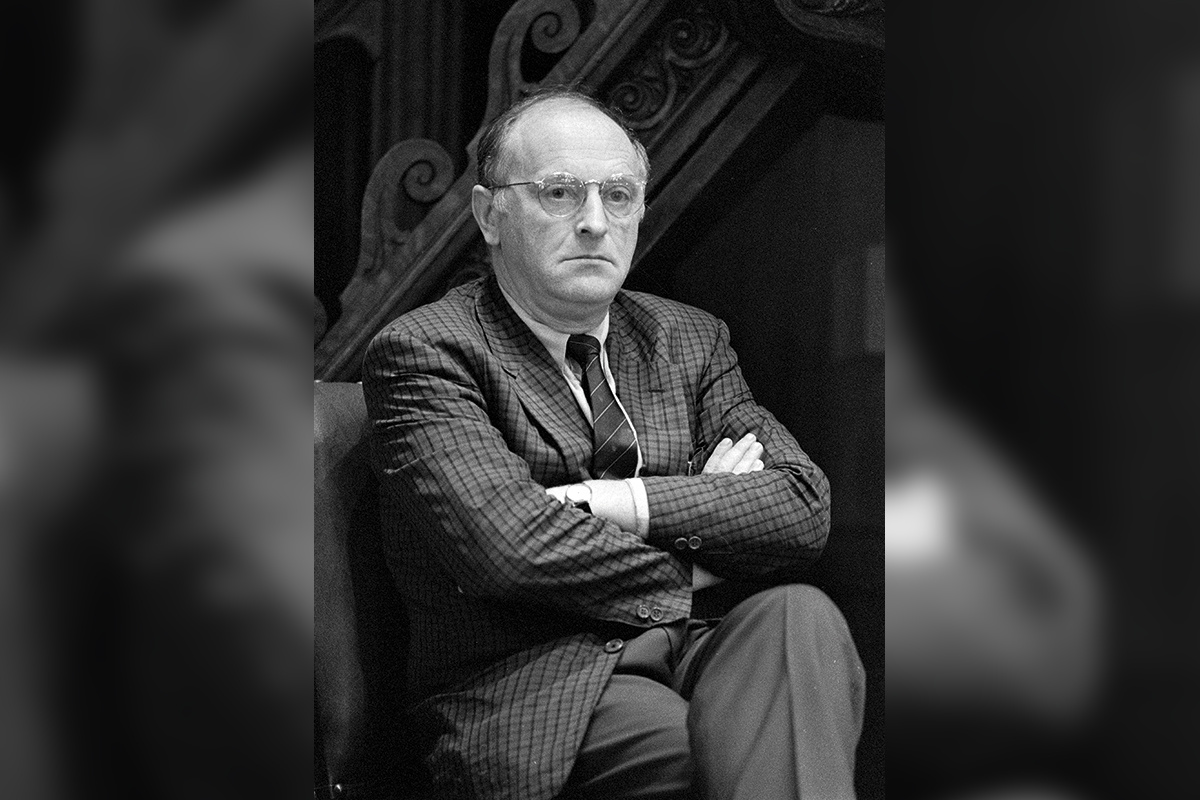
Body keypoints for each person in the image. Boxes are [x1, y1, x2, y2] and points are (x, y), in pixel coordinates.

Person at [362, 86, 865, 800]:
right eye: (560, 193)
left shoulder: (687, 338)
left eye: (619, 196)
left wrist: (610, 503)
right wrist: (703, 540)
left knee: (797, 615)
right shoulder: (427, 350)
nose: (595, 222)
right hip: (541, 685)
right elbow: (509, 548)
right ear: (490, 215)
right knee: (724, 769)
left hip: (698, 651)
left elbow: (801, 507)